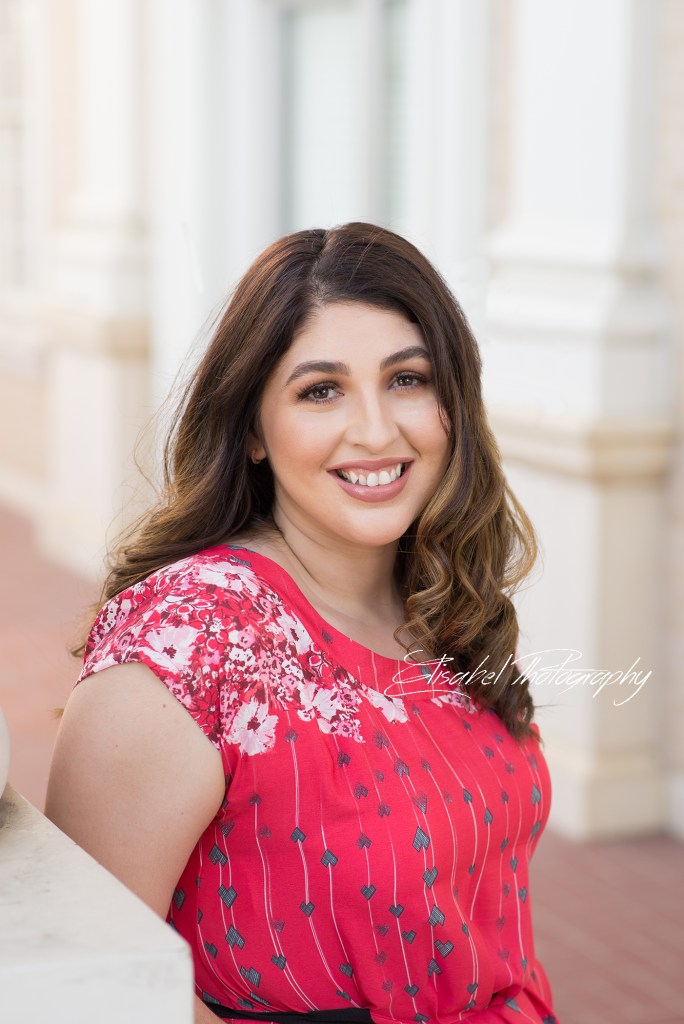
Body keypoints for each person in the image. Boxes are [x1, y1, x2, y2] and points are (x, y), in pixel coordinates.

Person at [46, 222, 559, 1024]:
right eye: (321, 390)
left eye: (408, 379)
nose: (376, 431)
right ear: (253, 428)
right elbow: (91, 979)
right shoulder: (187, 641)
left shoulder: (441, 600)